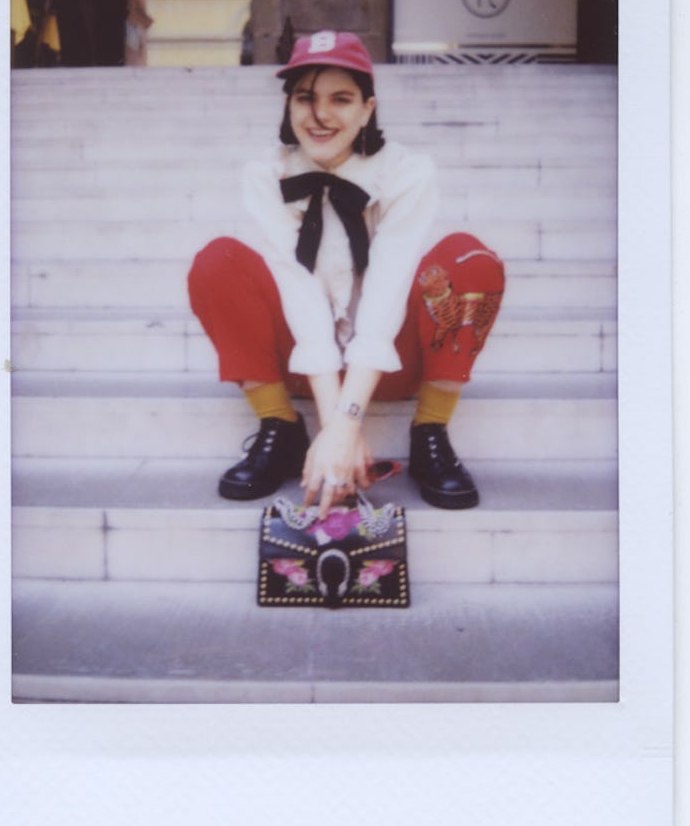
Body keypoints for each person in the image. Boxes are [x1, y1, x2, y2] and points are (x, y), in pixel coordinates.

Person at [188, 30, 505, 519]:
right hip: (303, 363)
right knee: (217, 261)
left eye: (341, 98)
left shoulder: (406, 172)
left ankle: (430, 432)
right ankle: (280, 425)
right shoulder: (265, 174)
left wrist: (345, 424)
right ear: (288, 104)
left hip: (389, 363)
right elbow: (296, 286)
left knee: (470, 259)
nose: (320, 116)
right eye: (305, 98)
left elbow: (386, 293)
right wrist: (334, 421)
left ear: (367, 108)